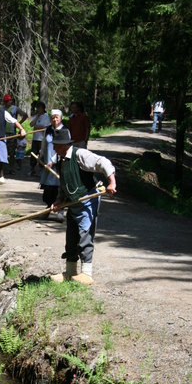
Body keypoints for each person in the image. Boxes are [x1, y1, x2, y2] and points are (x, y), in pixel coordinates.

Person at [50, 130, 117, 285]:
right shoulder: (61, 160)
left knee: (85, 237)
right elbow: (63, 184)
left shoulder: (80, 155)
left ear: (64, 145)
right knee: (71, 237)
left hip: (87, 201)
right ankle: (70, 271)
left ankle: (86, 273)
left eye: (56, 145)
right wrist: (59, 201)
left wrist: (112, 182)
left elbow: (103, 162)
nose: (54, 148)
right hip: (72, 203)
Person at [38, 109, 66, 212]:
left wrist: (53, 161)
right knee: (48, 187)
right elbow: (44, 143)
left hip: (59, 162)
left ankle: (60, 209)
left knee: (58, 186)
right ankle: (49, 206)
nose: (54, 119)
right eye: (53, 117)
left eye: (56, 117)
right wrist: (40, 155)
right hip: (47, 161)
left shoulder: (65, 131)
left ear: (60, 118)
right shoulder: (48, 130)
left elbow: (67, 147)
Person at [2, 94, 28, 174]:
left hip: (12, 133)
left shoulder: (15, 108)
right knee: (3, 151)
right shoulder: (1, 109)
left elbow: (25, 115)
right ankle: (3, 168)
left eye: (9, 101)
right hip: (3, 132)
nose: (8, 102)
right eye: (6, 101)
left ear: (11, 101)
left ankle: (11, 168)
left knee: (12, 152)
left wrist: (19, 124)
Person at [29, 101, 51, 176]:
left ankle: (42, 170)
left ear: (43, 108)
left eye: (39, 108)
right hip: (35, 138)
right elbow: (31, 124)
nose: (38, 109)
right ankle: (32, 169)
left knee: (42, 155)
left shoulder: (46, 116)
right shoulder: (36, 116)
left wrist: (37, 126)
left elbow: (46, 127)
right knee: (33, 154)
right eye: (37, 108)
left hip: (42, 139)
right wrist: (37, 117)